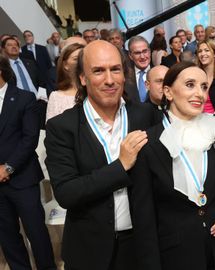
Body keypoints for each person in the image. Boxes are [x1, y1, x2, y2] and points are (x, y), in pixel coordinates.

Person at [44, 40, 153, 270]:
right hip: (90, 252)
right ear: (83, 78)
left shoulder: (145, 115)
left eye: (115, 69)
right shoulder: (62, 127)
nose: (110, 80)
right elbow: (66, 193)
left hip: (142, 247)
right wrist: (120, 166)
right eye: (98, 71)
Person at [131, 61, 215, 270]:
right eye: (190, 85)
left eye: (203, 86)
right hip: (176, 256)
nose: (199, 93)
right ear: (168, 92)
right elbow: (144, 219)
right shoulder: (149, 144)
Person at [0, 54, 56, 270]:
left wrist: (8, 167)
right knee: (7, 236)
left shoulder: (24, 98)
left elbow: (30, 138)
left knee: (36, 232)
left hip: (22, 177)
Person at [46, 43, 84, 121]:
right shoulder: (56, 97)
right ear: (65, 65)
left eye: (84, 58)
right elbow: (52, 129)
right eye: (76, 59)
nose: (81, 62)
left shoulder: (95, 92)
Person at [125, 35, 152, 103]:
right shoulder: (125, 77)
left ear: (149, 52)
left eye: (145, 51)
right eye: (137, 53)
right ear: (130, 56)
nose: (142, 56)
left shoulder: (161, 74)